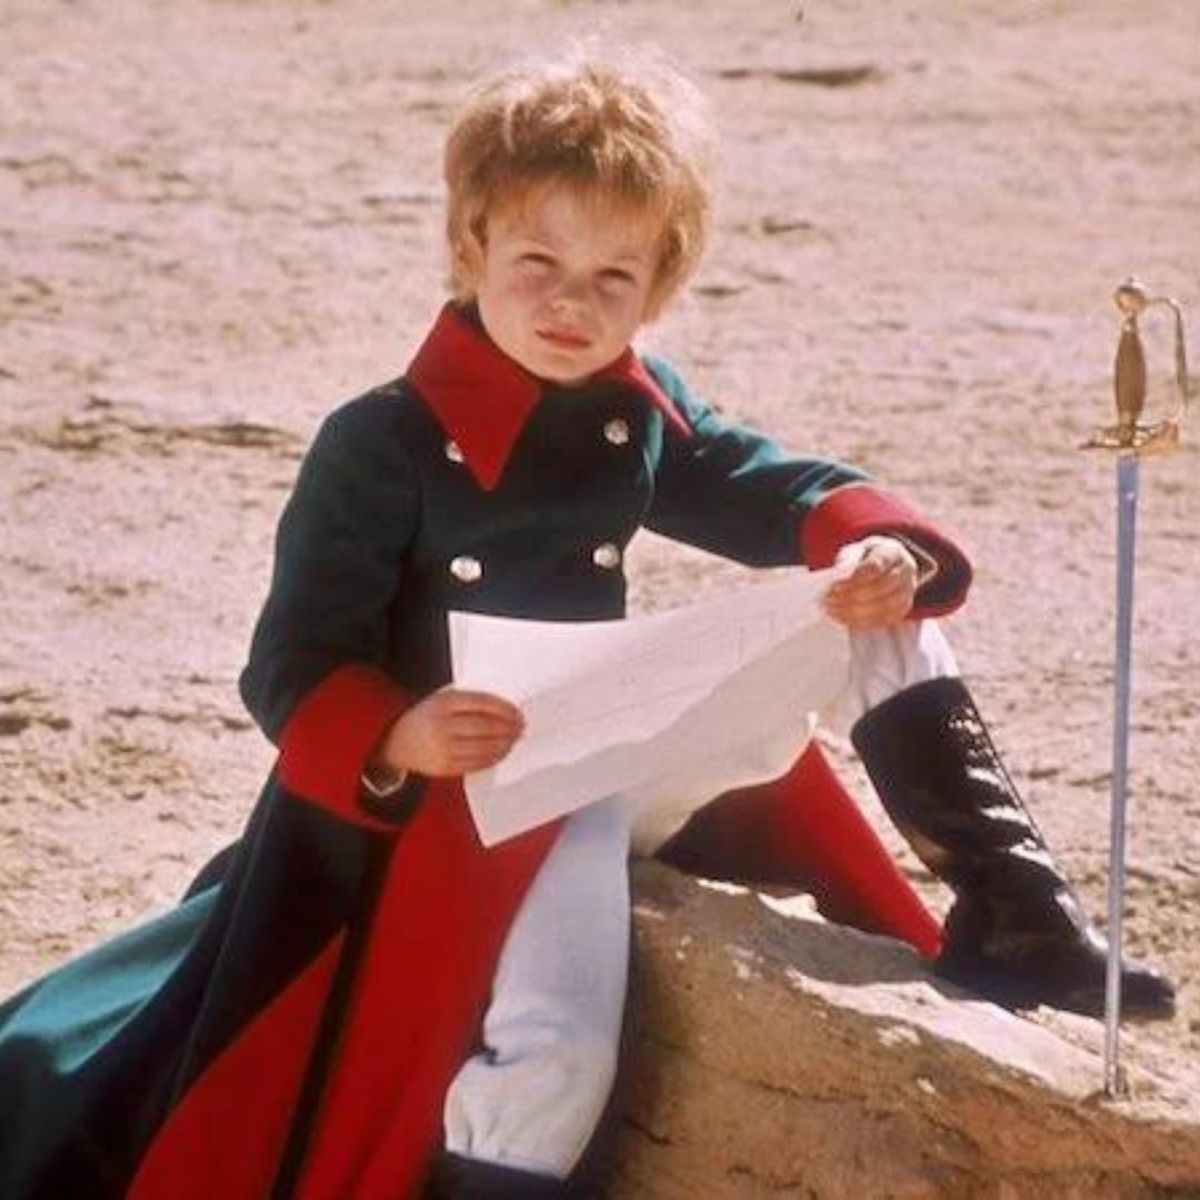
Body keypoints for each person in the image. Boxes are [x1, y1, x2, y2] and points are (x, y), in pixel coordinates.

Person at [0, 47, 1175, 1200]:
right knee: (559, 1045)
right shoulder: (378, 441)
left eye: (616, 277)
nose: (573, 303)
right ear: (472, 247)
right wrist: (400, 733)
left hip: (605, 742)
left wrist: (874, 544)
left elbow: (767, 484)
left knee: (876, 592)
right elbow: (290, 662)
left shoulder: (633, 406)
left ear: (659, 285)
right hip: (470, 797)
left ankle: (1019, 912)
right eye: (539, 262)